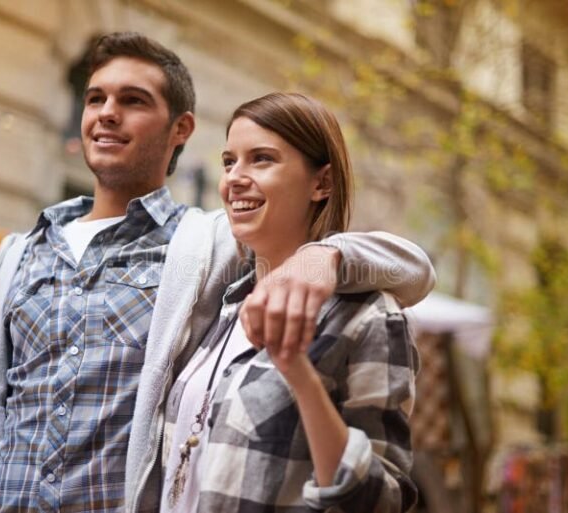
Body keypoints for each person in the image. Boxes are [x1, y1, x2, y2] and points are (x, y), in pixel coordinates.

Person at [0, 33, 435, 513]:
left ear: (180, 128)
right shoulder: (19, 252)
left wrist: (324, 257)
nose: (107, 113)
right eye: (95, 98)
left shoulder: (206, 243)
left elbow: (410, 268)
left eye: (133, 100)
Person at [157, 93, 419, 512]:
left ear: (322, 184)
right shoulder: (222, 306)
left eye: (261, 159)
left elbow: (385, 500)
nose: (234, 178)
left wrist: (300, 376)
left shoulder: (367, 317)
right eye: (229, 162)